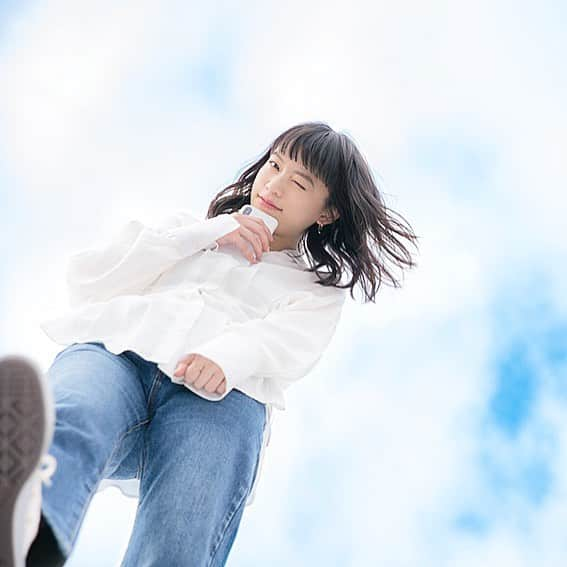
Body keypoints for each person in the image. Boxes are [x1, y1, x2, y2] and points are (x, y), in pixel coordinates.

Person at [0, 121, 419, 567]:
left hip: (221, 398)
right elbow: (90, 279)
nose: (274, 185)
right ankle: (24, 539)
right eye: (274, 165)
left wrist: (225, 356)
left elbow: (290, 343)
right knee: (75, 413)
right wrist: (203, 235)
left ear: (327, 212)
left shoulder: (314, 289)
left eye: (298, 182)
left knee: (184, 524)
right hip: (119, 354)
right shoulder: (187, 232)